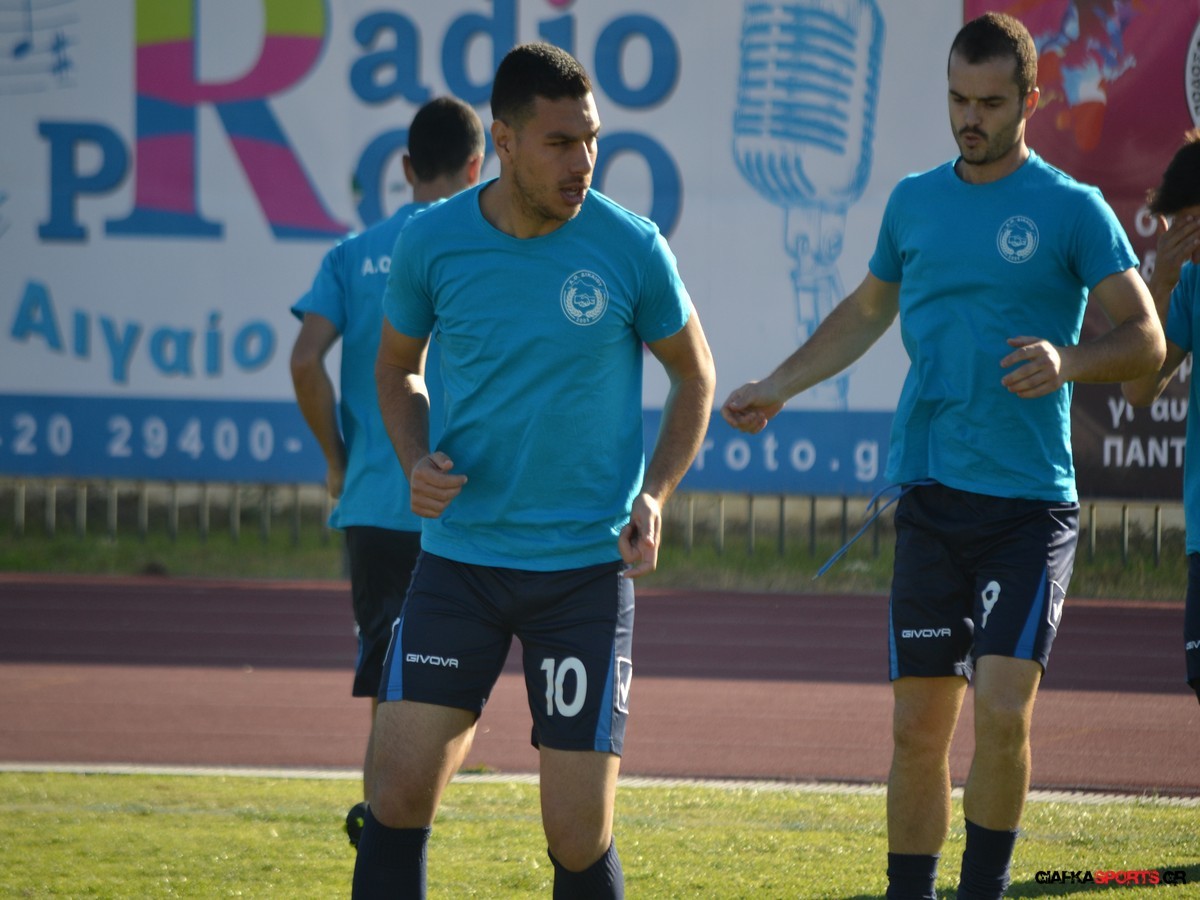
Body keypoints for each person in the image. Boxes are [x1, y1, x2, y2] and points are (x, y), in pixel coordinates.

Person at [722, 12, 1163, 900]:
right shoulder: (913, 201)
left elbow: (1147, 340)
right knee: (917, 730)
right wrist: (778, 385)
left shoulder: (1072, 208)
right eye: (958, 99)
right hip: (930, 499)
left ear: (1030, 101)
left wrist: (1069, 360)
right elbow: (864, 312)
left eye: (990, 103)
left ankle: (982, 888)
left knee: (1000, 712)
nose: (970, 117)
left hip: (1028, 507)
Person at [352, 42, 715, 898]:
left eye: (592, 139)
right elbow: (396, 368)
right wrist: (414, 457)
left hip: (583, 572)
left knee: (578, 837)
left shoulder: (630, 246)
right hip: (459, 564)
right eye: (560, 143)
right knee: (394, 795)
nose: (583, 161)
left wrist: (654, 494)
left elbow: (694, 376)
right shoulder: (431, 241)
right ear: (504, 142)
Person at [288, 96, 485, 846]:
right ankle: (391, 822)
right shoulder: (480, 244)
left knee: (388, 673)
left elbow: (304, 361)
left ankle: (383, 826)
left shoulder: (352, 254)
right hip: (460, 503)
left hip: (375, 499)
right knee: (459, 683)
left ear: (405, 167)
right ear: (478, 166)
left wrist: (338, 461)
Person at [1121, 130, 1200, 707]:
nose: (1184, 241)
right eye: (1178, 228)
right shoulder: (1189, 280)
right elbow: (1139, 388)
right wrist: (1163, 283)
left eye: (1193, 223)